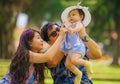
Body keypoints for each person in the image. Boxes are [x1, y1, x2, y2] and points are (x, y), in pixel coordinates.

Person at [0, 26, 66, 84]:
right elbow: (48, 56)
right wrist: (61, 36)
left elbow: (52, 60)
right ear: (29, 42)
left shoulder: (39, 58)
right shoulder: (25, 54)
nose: (41, 40)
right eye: (38, 38)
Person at [60, 3, 92, 84]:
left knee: (74, 60)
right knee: (67, 64)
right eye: (69, 15)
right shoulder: (70, 26)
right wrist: (64, 28)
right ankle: (78, 73)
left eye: (74, 14)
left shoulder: (79, 24)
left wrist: (73, 30)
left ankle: (87, 64)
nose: (71, 17)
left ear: (81, 17)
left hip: (78, 47)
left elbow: (78, 28)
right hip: (71, 48)